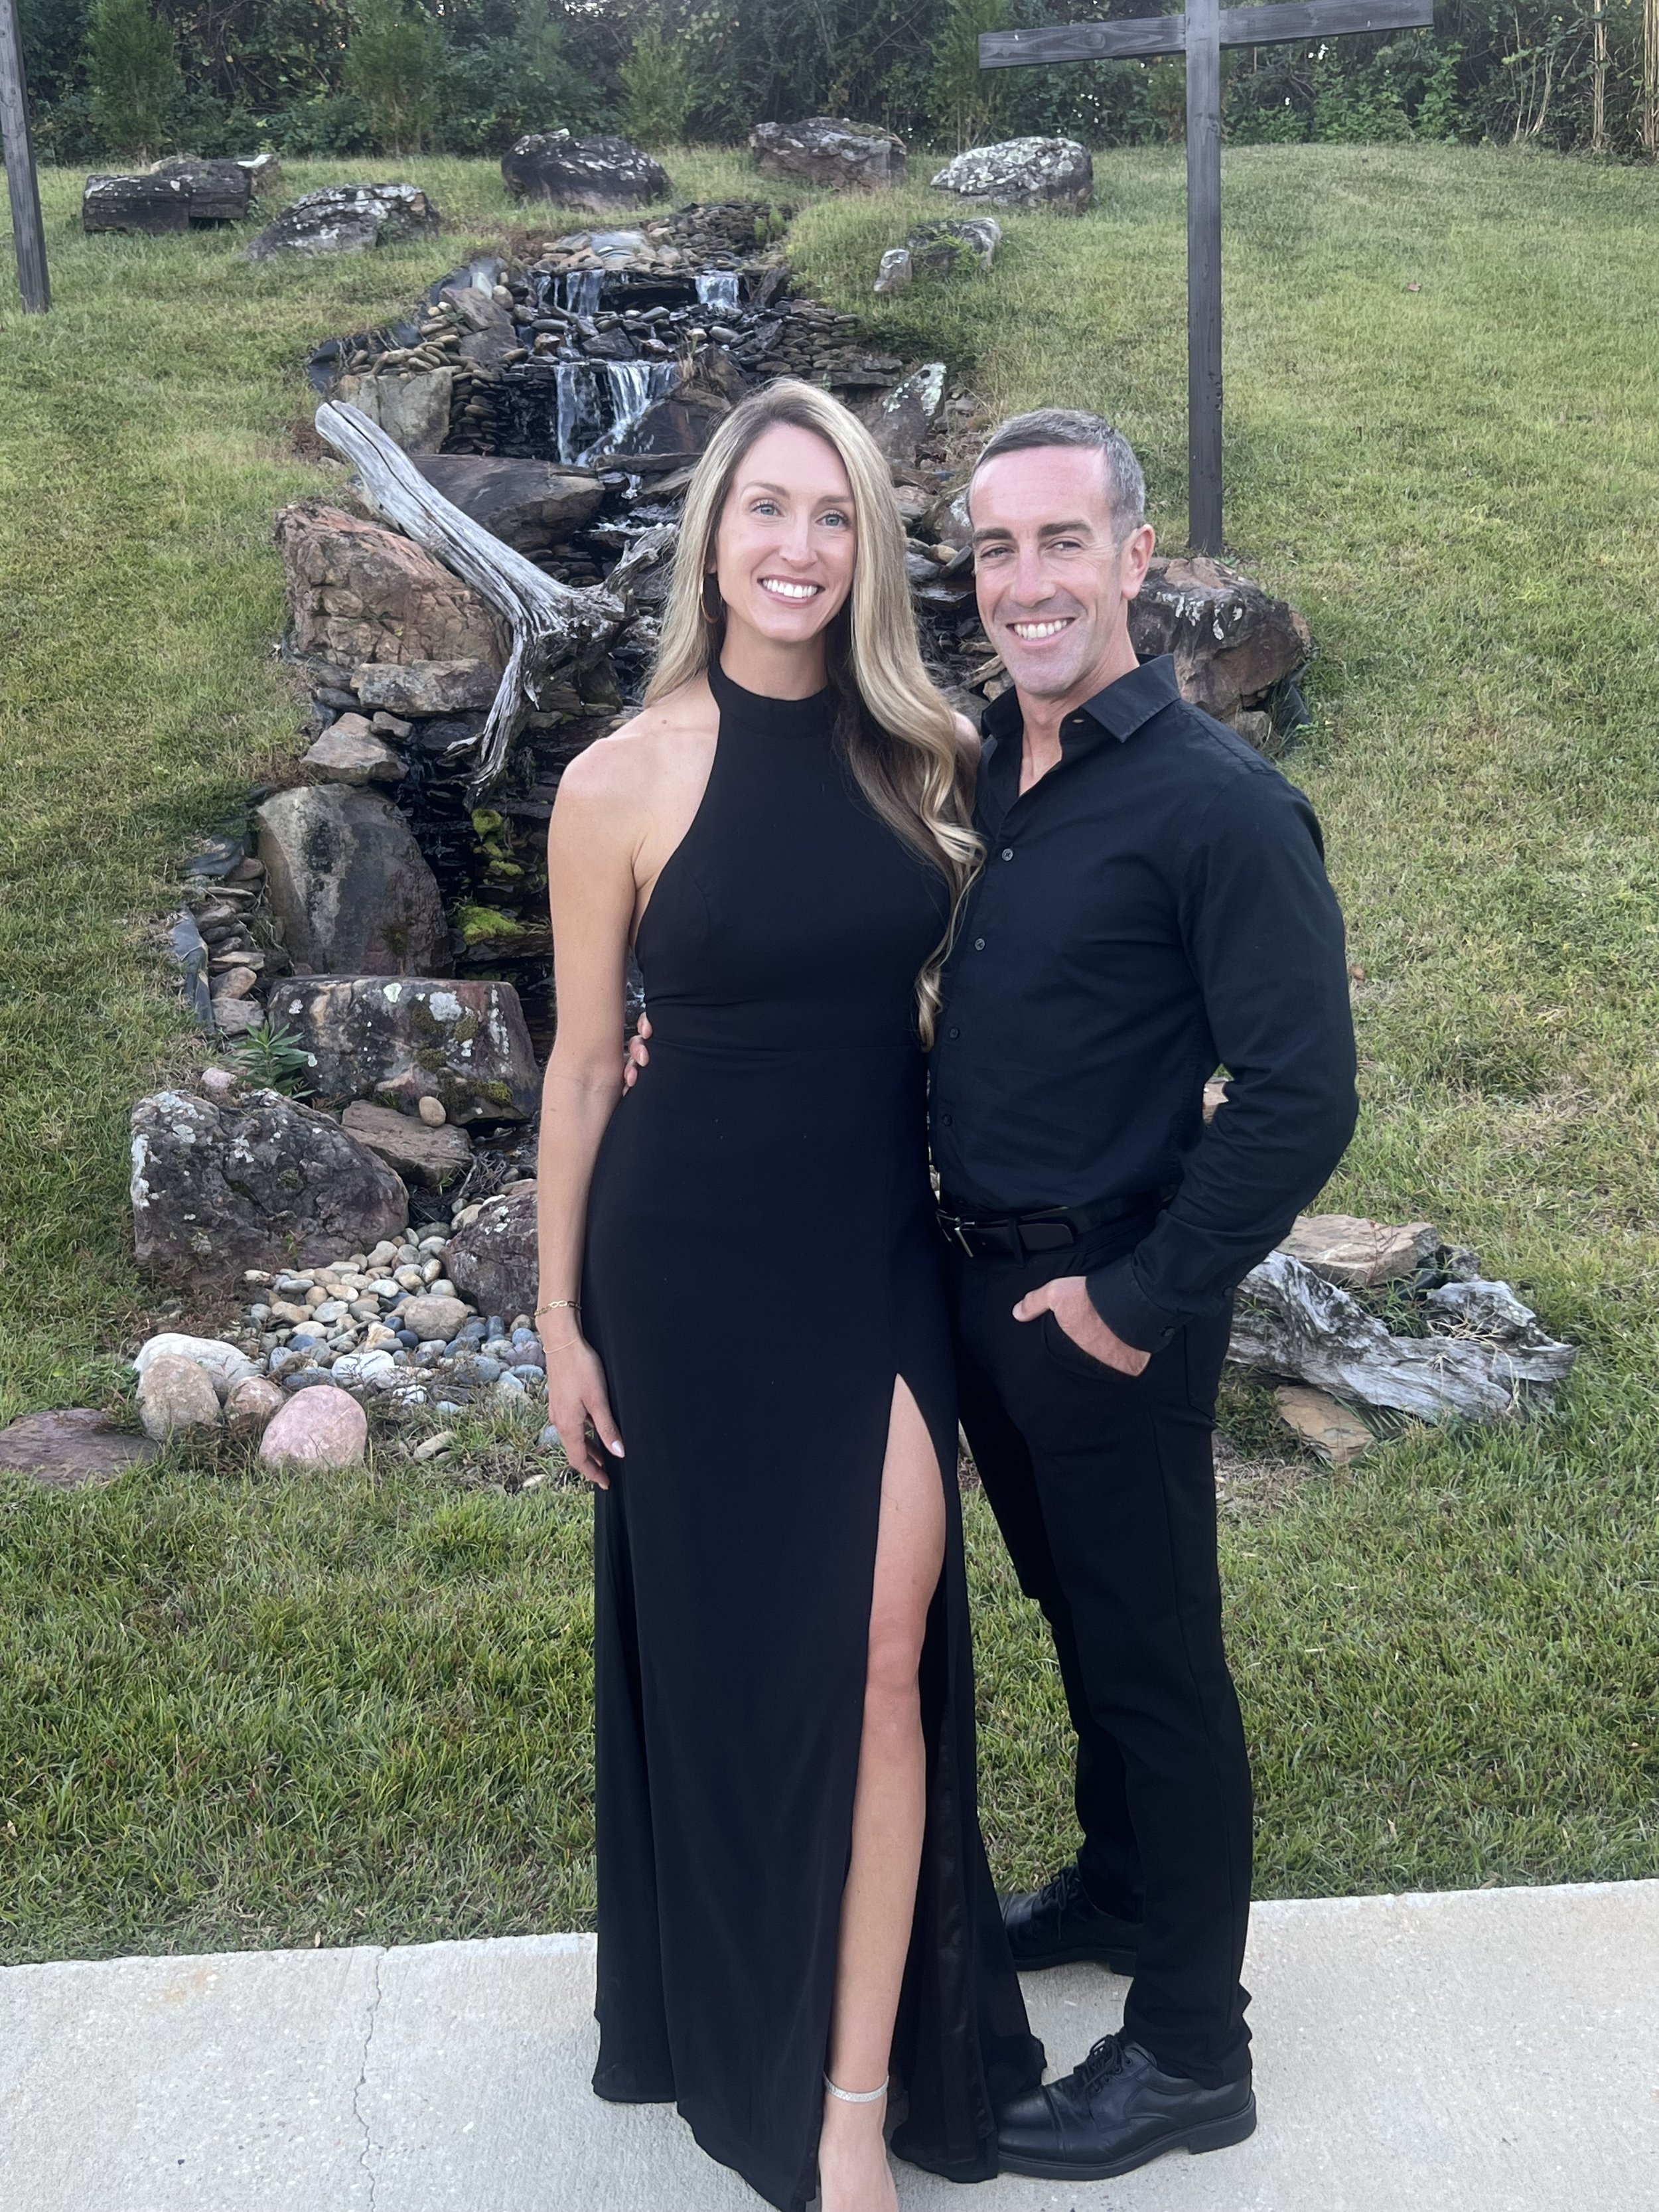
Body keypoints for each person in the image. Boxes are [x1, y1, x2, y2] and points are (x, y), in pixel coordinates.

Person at [534, 378, 1043, 2212]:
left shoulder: (925, 751)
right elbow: (587, 1067)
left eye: (833, 516)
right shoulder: (618, 780)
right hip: (678, 1279)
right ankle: (733, 1994)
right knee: (744, 1673)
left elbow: (1001, 985)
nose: (798, 549)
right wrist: (555, 1320)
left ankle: (845, 2107)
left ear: (868, 548)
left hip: (871, 1262)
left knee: (886, 1664)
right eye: (767, 509)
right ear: (712, 533)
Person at [928, 407, 1359, 2181]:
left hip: (1103, 1310)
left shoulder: (1217, 805)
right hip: (980, 1292)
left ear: (1134, 556)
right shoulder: (983, 771)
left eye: (1058, 542)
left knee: (1156, 1663)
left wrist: (1139, 1298)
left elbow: (1302, 1092)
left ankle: (1195, 2052)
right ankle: (1117, 1889)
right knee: (1083, 1626)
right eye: (993, 550)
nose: (1026, 580)